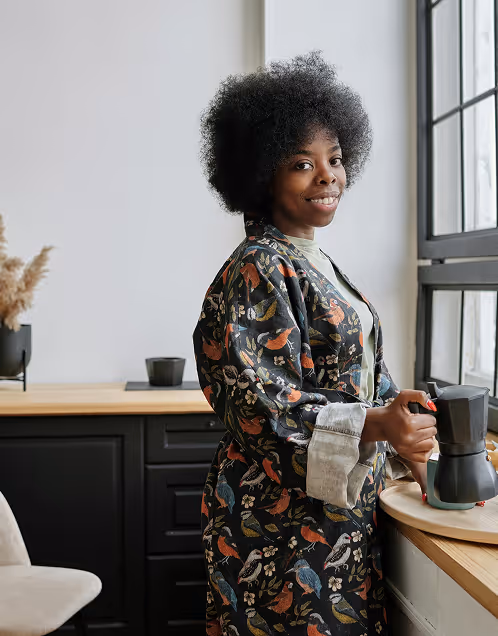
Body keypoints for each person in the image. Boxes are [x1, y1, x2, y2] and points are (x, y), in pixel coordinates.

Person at [193, 51, 437, 636]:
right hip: (272, 525)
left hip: (333, 516)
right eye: (302, 163)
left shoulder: (314, 260)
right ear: (260, 175)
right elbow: (262, 405)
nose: (327, 175)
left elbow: (360, 376)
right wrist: (377, 425)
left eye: (335, 158)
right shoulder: (257, 268)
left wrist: (413, 443)